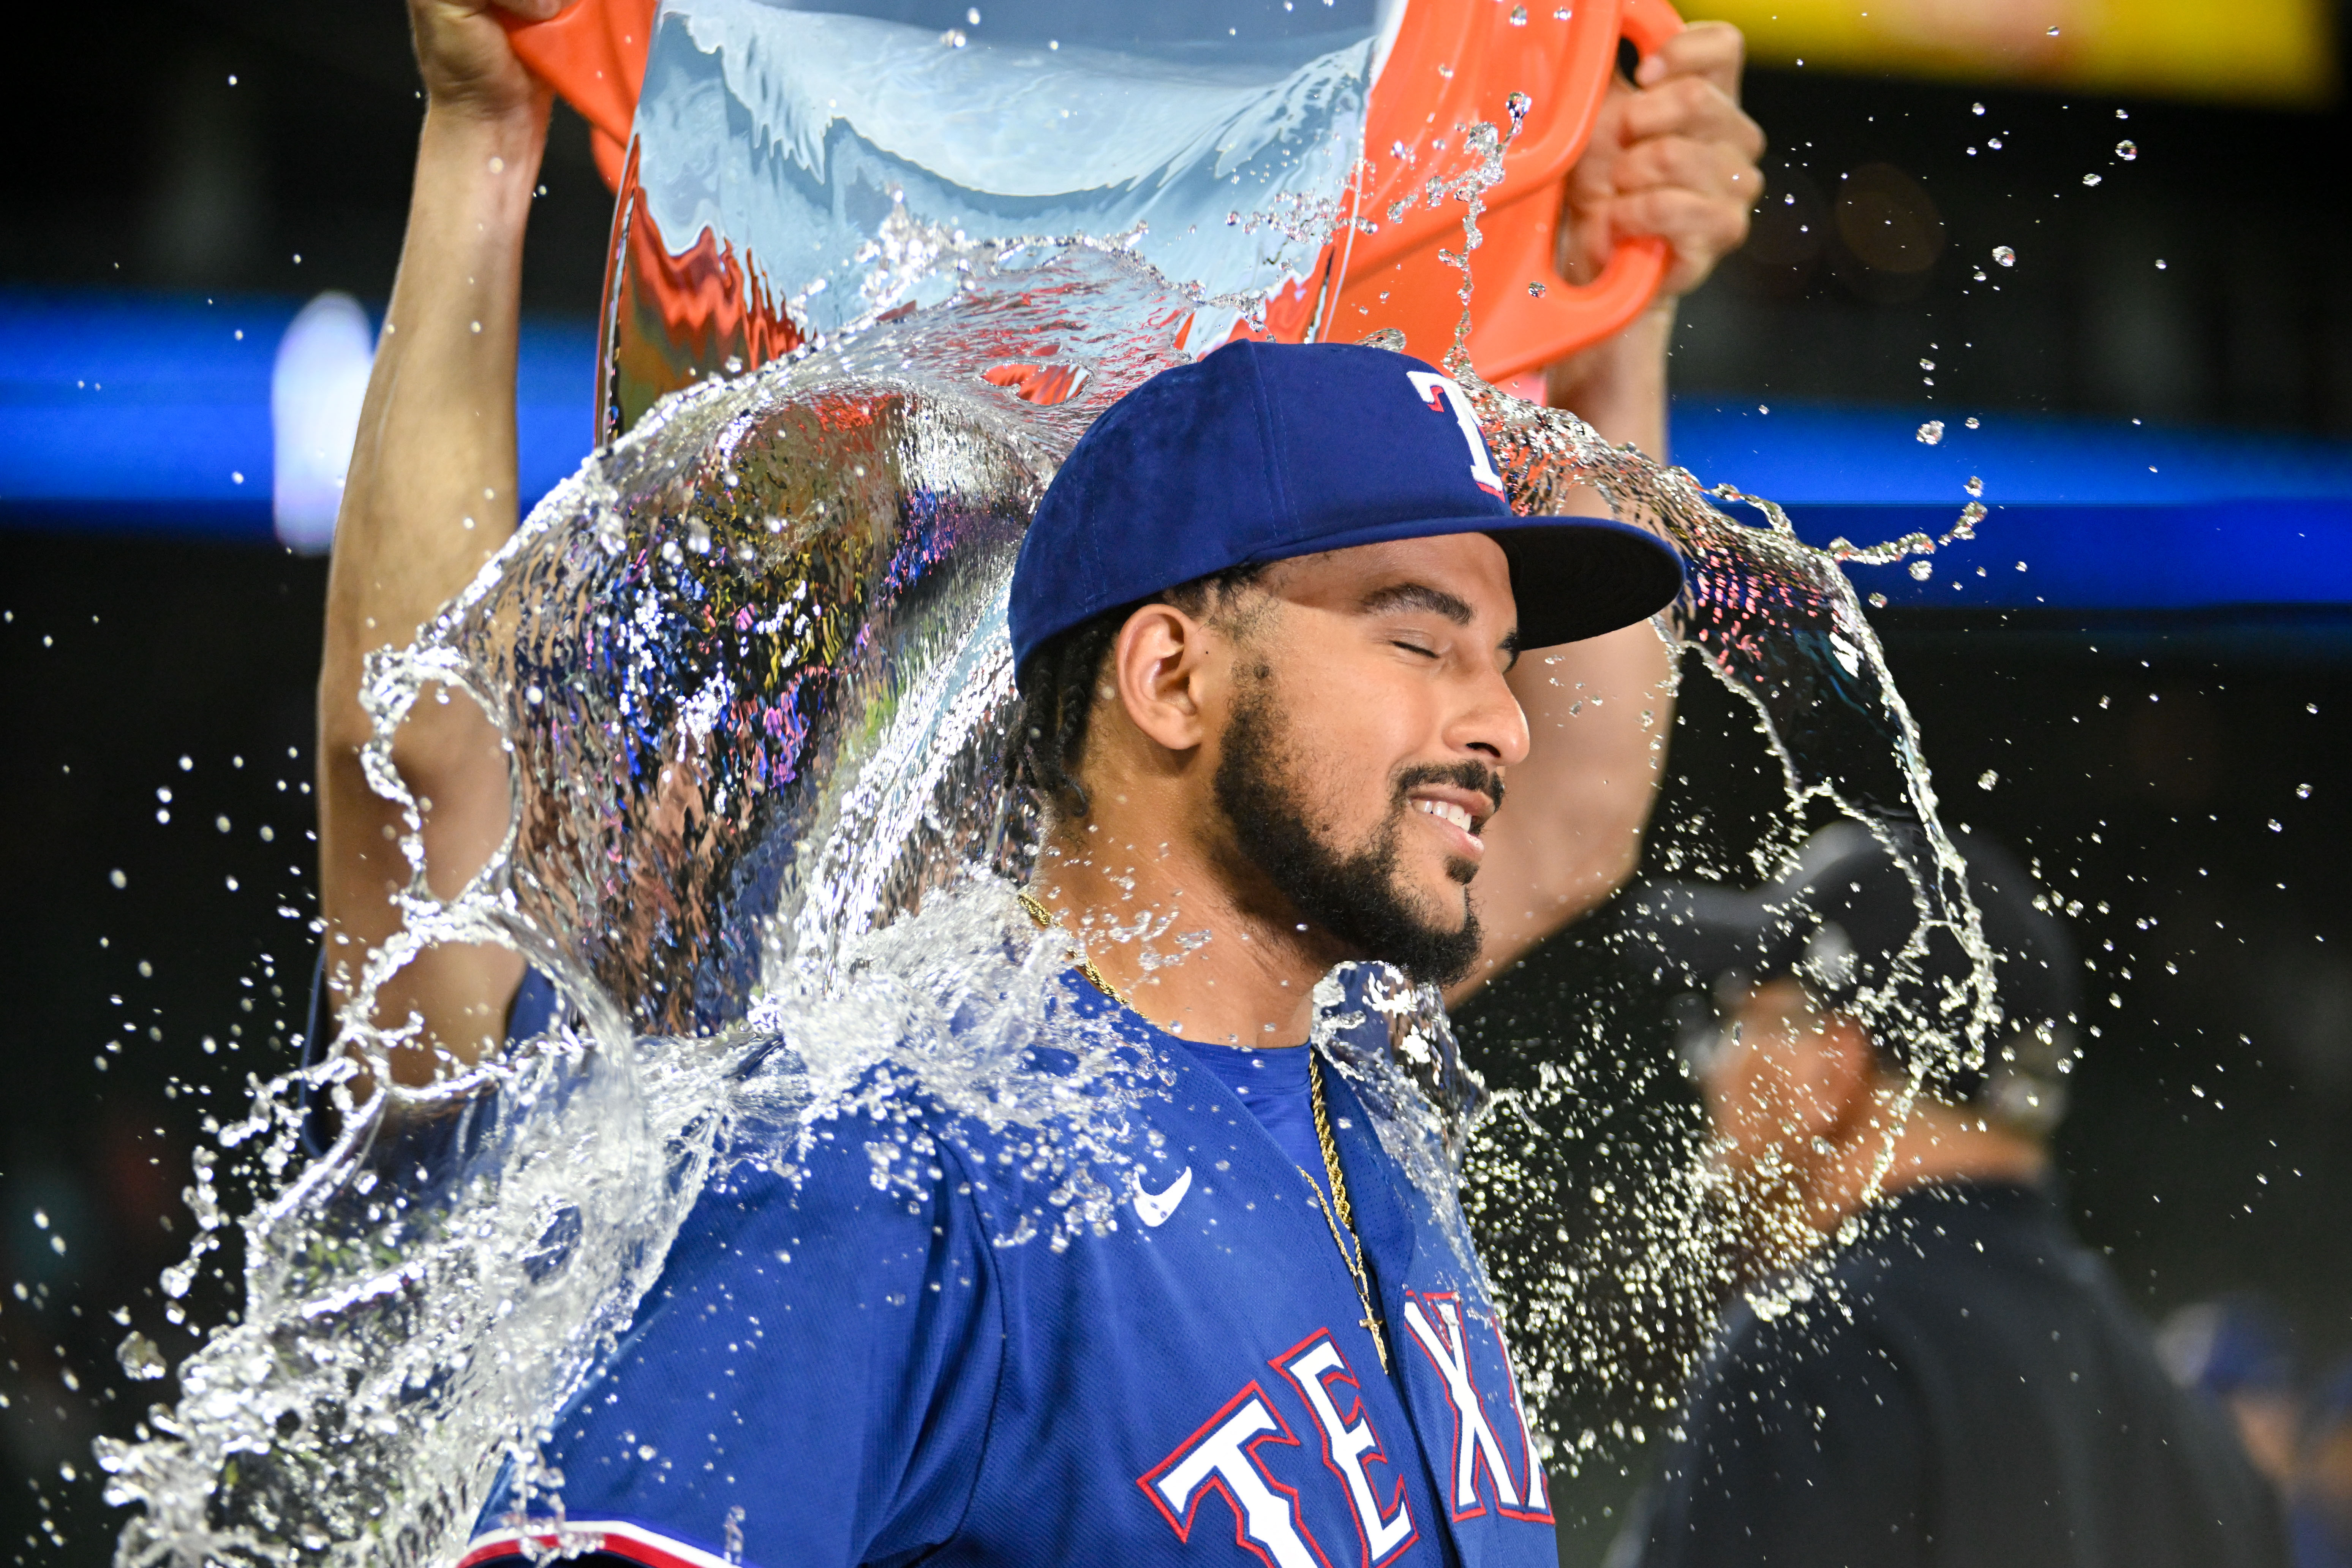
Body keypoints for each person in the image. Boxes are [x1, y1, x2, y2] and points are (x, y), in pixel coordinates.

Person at [316, 0, 1765, 1080]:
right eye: (1411, 642)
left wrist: (1607, 299)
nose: (1491, 722)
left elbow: (1569, 815)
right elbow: (407, 749)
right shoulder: (646, 1061)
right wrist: (480, 137)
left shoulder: (1232, 993)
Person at [1610, 823, 2291, 1568]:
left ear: (1829, 1077)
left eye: (1739, 1024)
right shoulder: (2194, 1440)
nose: (1714, 1072)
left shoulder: (1813, 1352)